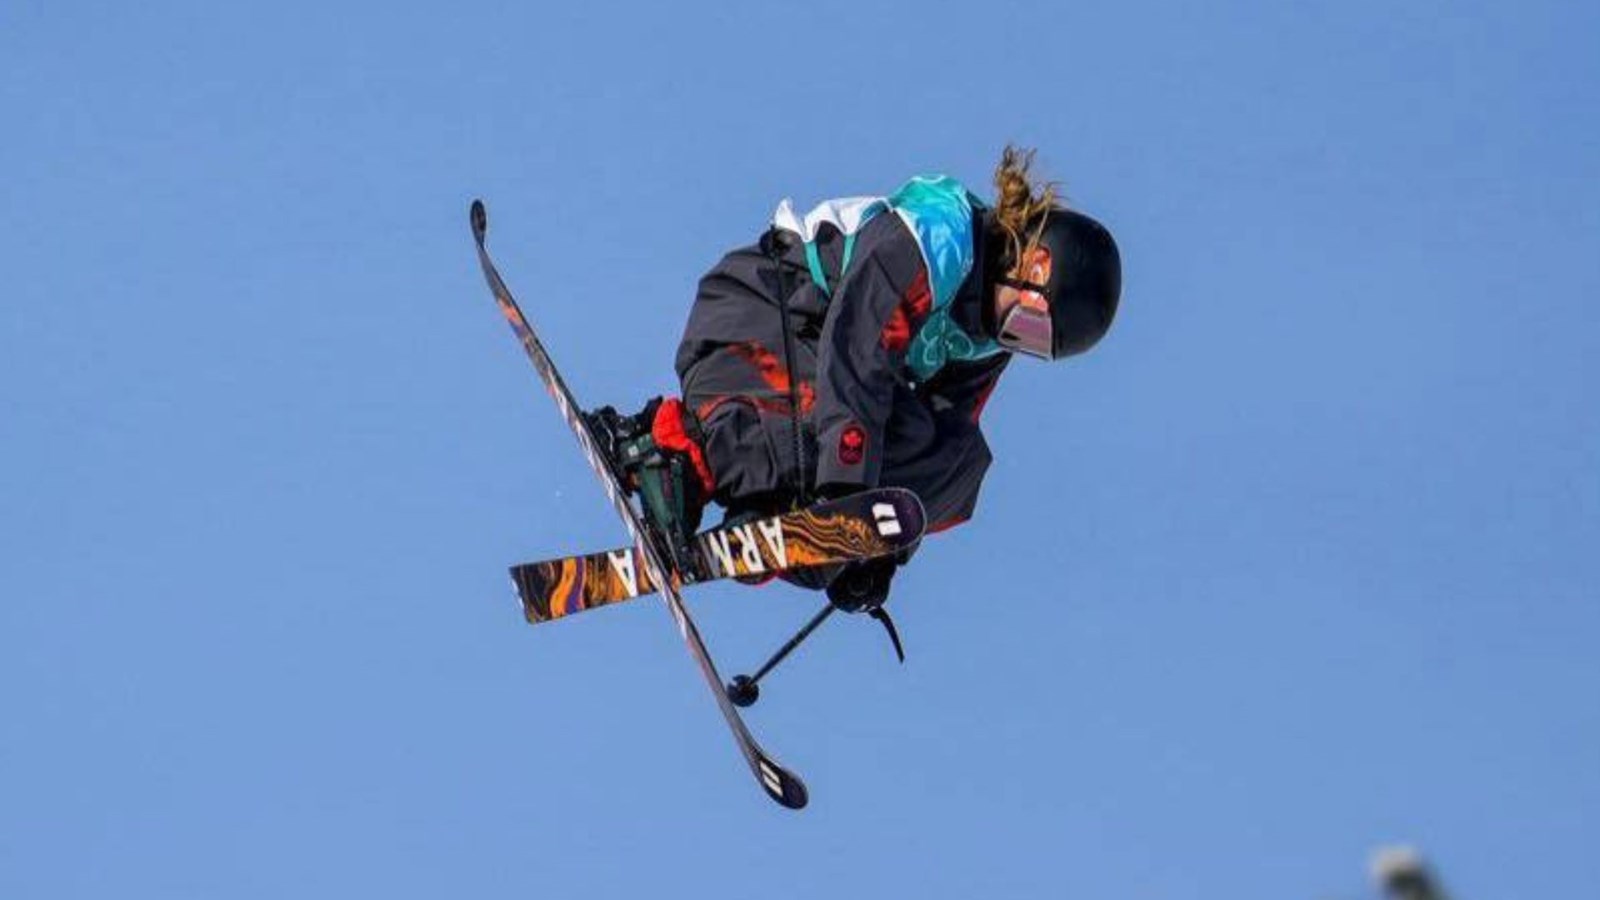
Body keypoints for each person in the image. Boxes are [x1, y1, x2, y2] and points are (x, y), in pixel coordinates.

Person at [586, 146, 1122, 614]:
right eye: (1030, 325)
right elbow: (857, 347)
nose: (1016, 339)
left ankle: (778, 518)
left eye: (1033, 345)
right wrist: (845, 488)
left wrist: (877, 543)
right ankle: (668, 451)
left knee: (959, 462)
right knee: (843, 423)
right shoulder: (939, 238)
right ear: (1035, 266)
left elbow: (937, 439)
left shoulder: (986, 341)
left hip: (819, 382)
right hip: (759, 322)